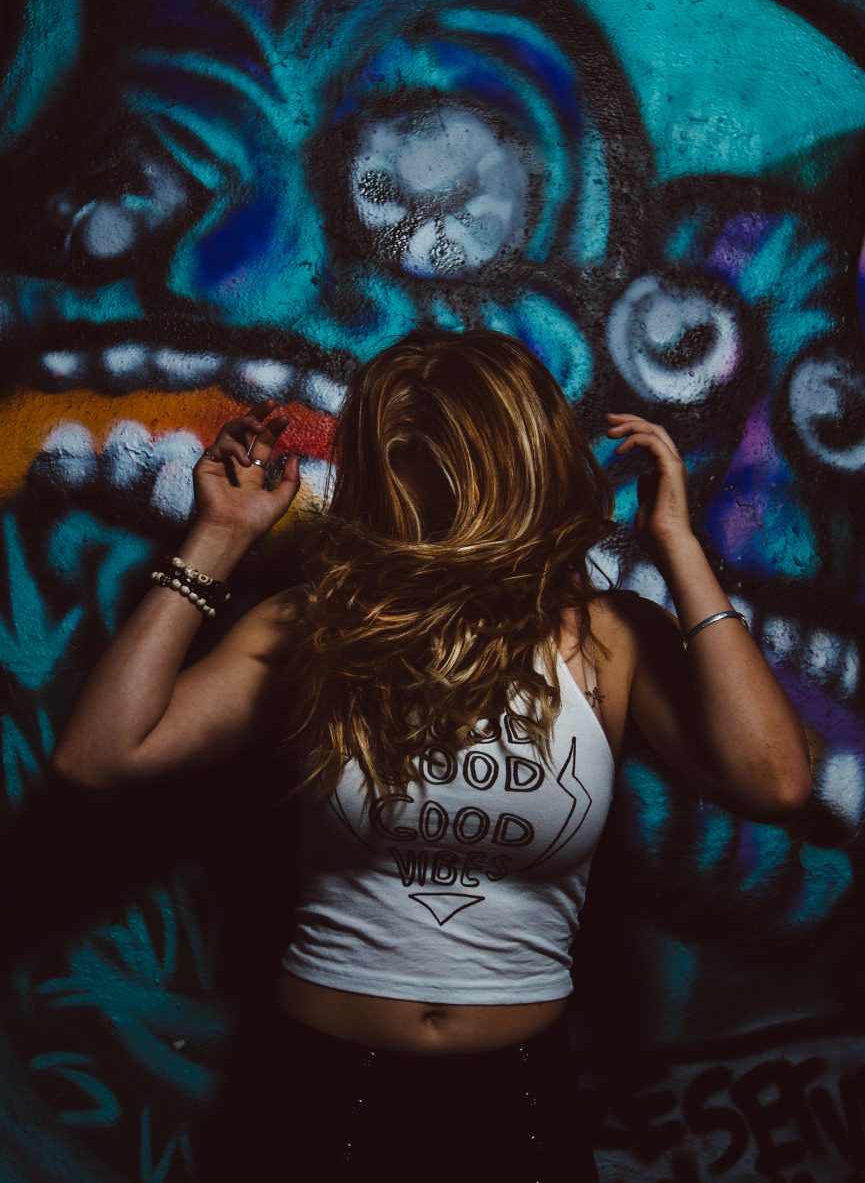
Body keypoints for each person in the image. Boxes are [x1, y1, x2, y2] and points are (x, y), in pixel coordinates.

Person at [51, 328, 812, 1182]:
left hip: (518, 1099)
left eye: (457, 485)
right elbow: (100, 755)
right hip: (320, 1091)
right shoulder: (317, 624)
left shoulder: (608, 640)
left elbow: (775, 782)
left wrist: (678, 553)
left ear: (517, 474)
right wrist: (219, 539)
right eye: (409, 478)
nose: (438, 521)